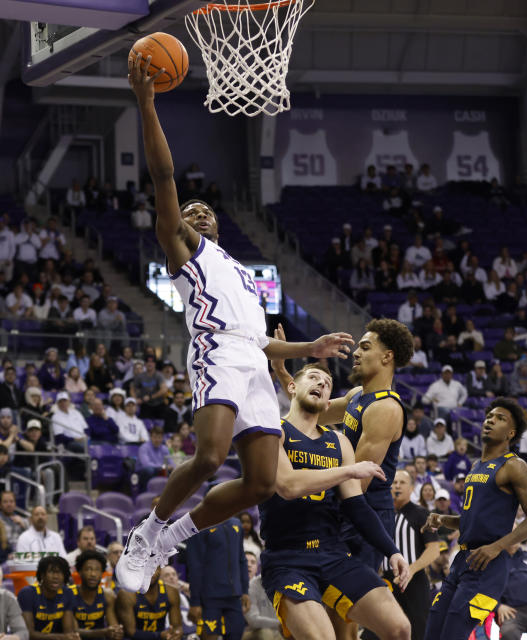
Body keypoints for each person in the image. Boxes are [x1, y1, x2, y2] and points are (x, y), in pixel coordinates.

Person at [118, 54, 355, 594]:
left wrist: (309, 346)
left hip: (253, 360)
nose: (198, 214)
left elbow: (265, 342)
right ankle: (146, 532)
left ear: (220, 226)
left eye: (207, 212)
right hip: (216, 352)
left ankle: (169, 537)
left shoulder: (245, 276)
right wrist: (147, 103)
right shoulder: (184, 249)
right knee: (208, 456)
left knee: (261, 484)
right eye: (191, 210)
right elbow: (163, 174)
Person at [257, 363, 411, 640]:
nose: (321, 384)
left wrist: (393, 551)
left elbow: (357, 507)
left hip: (333, 552)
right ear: (292, 386)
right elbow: (289, 486)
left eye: (327, 383)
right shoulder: (273, 431)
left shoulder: (339, 443)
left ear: (329, 403)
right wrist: (350, 470)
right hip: (287, 558)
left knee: (400, 628)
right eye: (313, 378)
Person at [422, 398, 527, 640]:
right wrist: (443, 519)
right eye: (490, 417)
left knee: (451, 635)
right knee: (432, 631)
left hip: (488, 565)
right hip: (461, 561)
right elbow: (471, 519)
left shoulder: (514, 466)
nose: (491, 420)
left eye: (500, 419)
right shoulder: (477, 465)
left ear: (510, 433)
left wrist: (497, 547)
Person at [385, 470, 441, 640]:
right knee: (380, 631)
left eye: (402, 482)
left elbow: (434, 550)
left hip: (414, 580)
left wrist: (410, 569)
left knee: (418, 631)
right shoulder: (382, 514)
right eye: (394, 482)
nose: (397, 486)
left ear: (411, 488)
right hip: (386, 581)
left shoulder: (421, 513)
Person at [17, 556, 77, 640]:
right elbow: (28, 634)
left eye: (60, 572)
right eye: (51, 572)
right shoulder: (27, 593)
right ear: (42, 575)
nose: (56, 576)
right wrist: (61, 637)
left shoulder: (68, 593)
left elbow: (68, 631)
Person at [115, 568, 183, 640]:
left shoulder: (171, 592)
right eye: (145, 568)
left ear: (159, 570)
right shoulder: (126, 593)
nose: (149, 573)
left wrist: (176, 634)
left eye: (153, 568)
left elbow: (177, 627)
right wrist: (159, 635)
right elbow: (130, 631)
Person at [67, 550, 122, 637]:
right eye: (88, 569)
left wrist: (116, 633)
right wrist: (103, 632)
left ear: (102, 573)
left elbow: (113, 628)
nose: (93, 574)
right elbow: (73, 632)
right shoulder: (69, 594)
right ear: (80, 572)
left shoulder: (108, 595)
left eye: (97, 570)